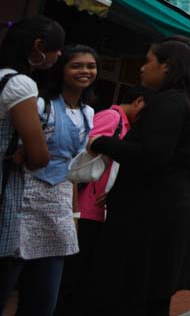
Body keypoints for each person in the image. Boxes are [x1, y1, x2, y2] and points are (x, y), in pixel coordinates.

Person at [88, 36, 190, 316]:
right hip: (165, 215)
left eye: (148, 61)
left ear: (167, 67)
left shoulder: (170, 103)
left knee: (134, 299)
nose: (143, 68)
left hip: (149, 220)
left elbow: (151, 155)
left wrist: (99, 143)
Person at [15, 44, 97, 316]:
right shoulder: (40, 105)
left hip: (60, 203)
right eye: (77, 65)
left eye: (90, 66)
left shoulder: (88, 113)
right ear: (61, 70)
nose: (85, 71)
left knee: (44, 297)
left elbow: (74, 169)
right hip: (25, 199)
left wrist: (73, 213)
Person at [58, 84, 150, 314]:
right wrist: (76, 209)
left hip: (98, 211)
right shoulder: (112, 117)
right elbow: (80, 157)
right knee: (73, 275)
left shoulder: (126, 125)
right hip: (86, 209)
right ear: (139, 101)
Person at [0, 17, 62, 310]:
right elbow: (39, 157)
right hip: (5, 196)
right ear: (38, 47)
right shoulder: (21, 85)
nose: (59, 55)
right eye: (56, 49)